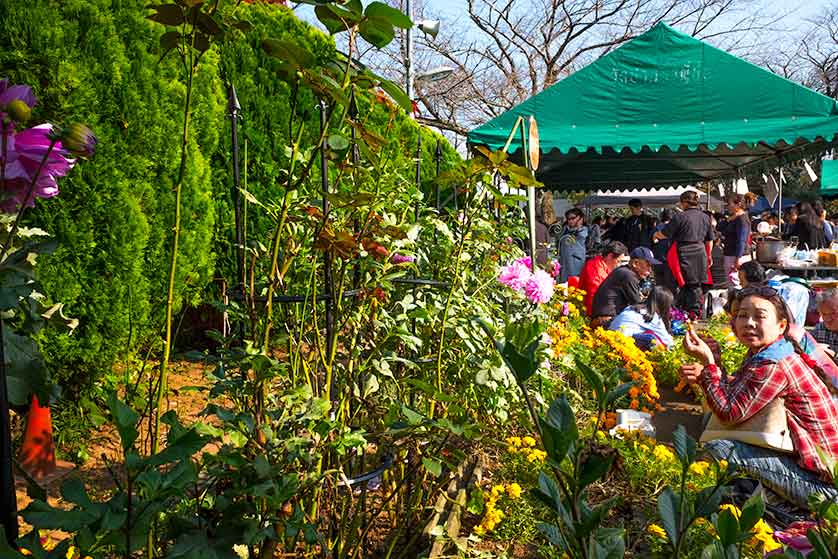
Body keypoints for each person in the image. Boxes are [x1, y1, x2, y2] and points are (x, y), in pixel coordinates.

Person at [680, 286, 838, 508]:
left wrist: (709, 365)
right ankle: (764, 499)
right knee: (712, 428)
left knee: (719, 447)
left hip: (825, 487)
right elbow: (735, 398)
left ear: (781, 325)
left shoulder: (773, 363)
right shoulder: (769, 351)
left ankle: (781, 506)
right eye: (742, 315)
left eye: (759, 316)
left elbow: (728, 413)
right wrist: (715, 361)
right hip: (809, 468)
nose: (749, 323)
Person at [654, 191, 714, 317]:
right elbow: (709, 240)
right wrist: (709, 256)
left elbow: (664, 234)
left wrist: (656, 235)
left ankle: (677, 313)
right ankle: (695, 313)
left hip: (683, 251)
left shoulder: (680, 217)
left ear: (685, 202)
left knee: (678, 282)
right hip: (700, 251)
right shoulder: (705, 217)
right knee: (696, 283)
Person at [590, 247, 659, 328]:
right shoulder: (628, 275)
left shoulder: (624, 271)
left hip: (607, 320)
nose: (650, 270)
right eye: (648, 265)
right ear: (635, 263)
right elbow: (638, 305)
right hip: (606, 321)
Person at [738, 260, 809, 328]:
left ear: (751, 282)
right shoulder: (765, 290)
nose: (740, 284)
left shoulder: (769, 295)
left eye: (741, 280)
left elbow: (789, 321)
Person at [609, 286, 675, 349]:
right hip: (622, 343)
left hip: (609, 336)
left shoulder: (631, 307)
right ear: (664, 305)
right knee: (652, 339)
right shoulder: (652, 318)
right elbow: (668, 342)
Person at [579, 241, 628, 316]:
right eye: (618, 261)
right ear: (610, 256)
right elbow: (597, 296)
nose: (619, 265)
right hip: (592, 312)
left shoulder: (604, 266)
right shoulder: (595, 268)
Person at [721, 193, 751, 288]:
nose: (727, 206)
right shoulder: (734, 218)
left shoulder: (742, 220)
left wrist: (737, 259)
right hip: (731, 255)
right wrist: (729, 219)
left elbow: (741, 240)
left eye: (729, 204)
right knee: (732, 283)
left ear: (737, 204)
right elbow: (719, 227)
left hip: (737, 256)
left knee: (736, 283)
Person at [558, 208, 588, 282]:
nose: (570, 221)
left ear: (580, 218)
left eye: (573, 218)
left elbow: (581, 239)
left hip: (576, 266)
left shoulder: (584, 231)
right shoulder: (565, 230)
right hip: (564, 265)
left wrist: (578, 226)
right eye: (568, 219)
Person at [813, 289, 838, 357]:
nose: (828, 318)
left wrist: (835, 356)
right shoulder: (819, 330)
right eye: (824, 314)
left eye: (833, 313)